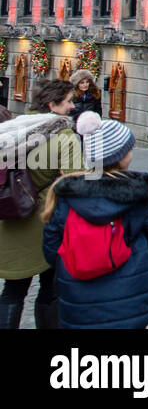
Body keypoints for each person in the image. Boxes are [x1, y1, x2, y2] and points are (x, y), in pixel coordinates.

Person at [40, 113, 148, 328]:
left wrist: (78, 258)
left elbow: (51, 247)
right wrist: (131, 251)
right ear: (120, 155)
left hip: (78, 295)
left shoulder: (67, 194)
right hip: (130, 292)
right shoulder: (140, 193)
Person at [0, 79, 82, 329]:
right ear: (52, 104)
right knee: (51, 287)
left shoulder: (17, 127)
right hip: (47, 221)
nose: (72, 106)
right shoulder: (63, 135)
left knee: (13, 290)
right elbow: (76, 181)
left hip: (11, 216)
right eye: (68, 101)